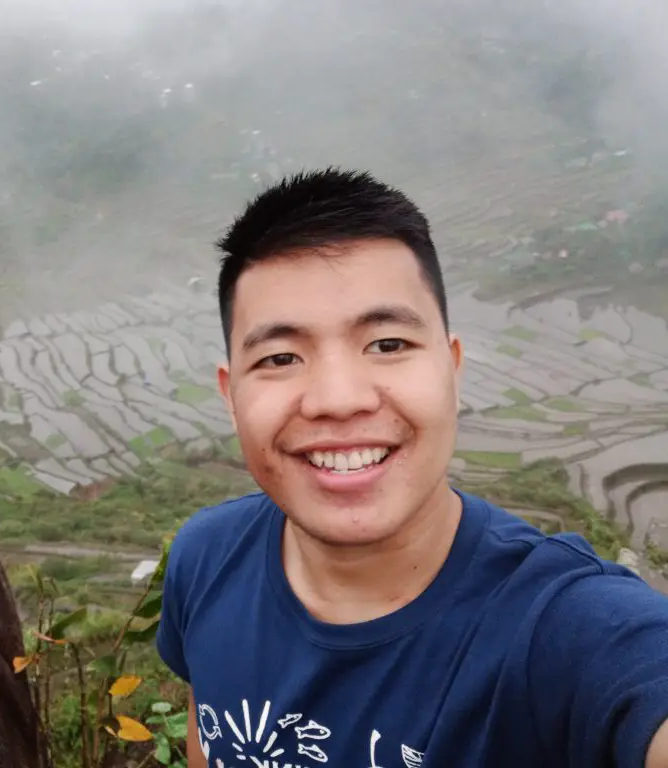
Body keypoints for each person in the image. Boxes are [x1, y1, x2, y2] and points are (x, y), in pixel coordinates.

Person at [155, 168, 668, 767]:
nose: (338, 399)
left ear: (452, 367)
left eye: (388, 344)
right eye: (280, 356)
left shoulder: (568, 632)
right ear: (230, 394)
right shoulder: (206, 558)